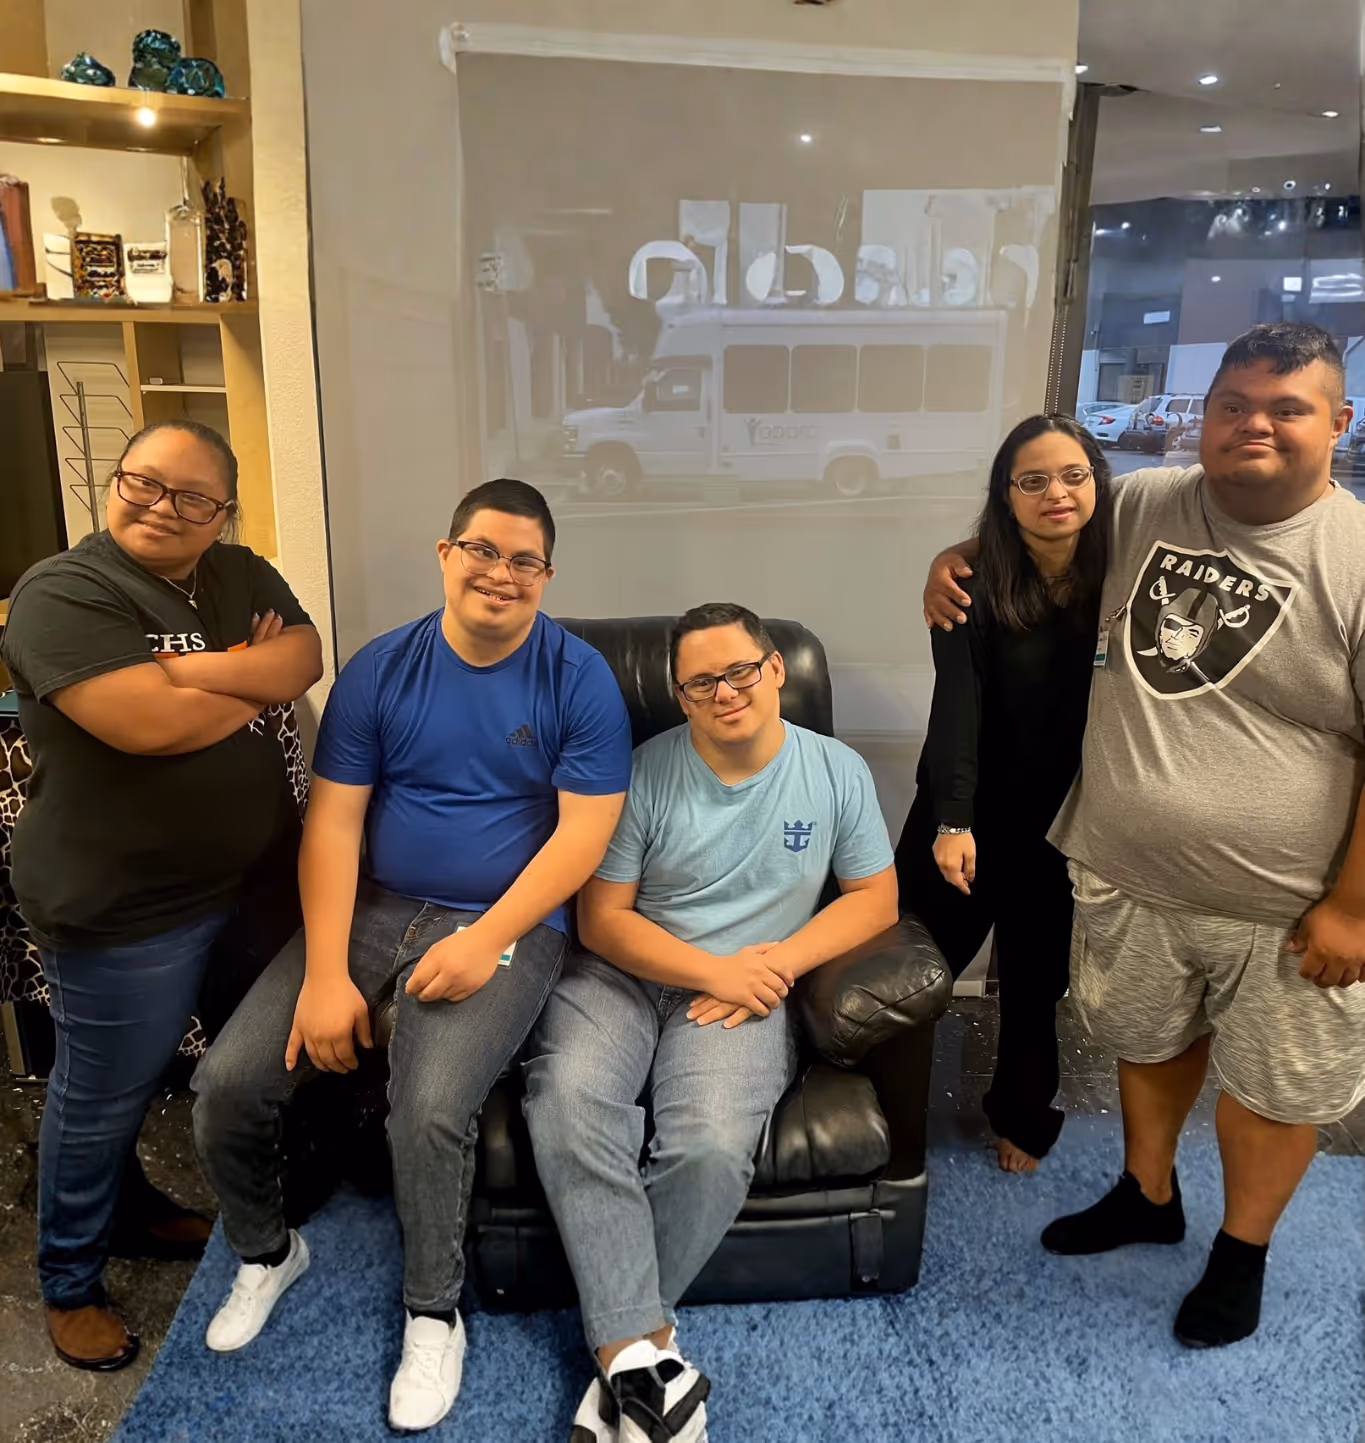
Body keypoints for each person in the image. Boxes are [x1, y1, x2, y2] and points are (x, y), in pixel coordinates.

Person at [923, 322, 1365, 1347]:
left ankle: (1241, 1252)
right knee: (1148, 1042)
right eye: (1233, 405)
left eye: (1287, 408)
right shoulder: (1150, 502)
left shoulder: (1353, 556)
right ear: (1202, 417)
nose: (1255, 426)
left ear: (1339, 422)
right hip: (1128, 871)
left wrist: (1352, 904)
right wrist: (951, 561)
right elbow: (1038, 520)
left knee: (1274, 1087)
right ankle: (1146, 1193)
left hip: (1286, 901)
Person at [191, 478, 632, 1432]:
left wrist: (488, 938)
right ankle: (268, 1251)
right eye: (482, 549)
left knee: (429, 1109)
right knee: (226, 1082)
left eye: (523, 559)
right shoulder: (382, 667)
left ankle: (434, 1312)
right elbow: (333, 823)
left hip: (508, 920)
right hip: (373, 907)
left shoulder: (578, 676)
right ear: (445, 554)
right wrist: (323, 973)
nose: (500, 572)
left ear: (546, 575)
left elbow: (582, 837)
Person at [523, 602, 899, 1443]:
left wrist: (778, 962)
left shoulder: (835, 770)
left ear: (775, 670)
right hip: (623, 976)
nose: (724, 691)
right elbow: (602, 919)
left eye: (739, 671)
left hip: (747, 987)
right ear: (679, 694)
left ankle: (624, 1360)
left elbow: (875, 899)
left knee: (709, 1144)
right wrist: (712, 968)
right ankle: (641, 1354)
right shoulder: (642, 771)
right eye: (701, 682)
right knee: (568, 1101)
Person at [0, 420, 323, 1371]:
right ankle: (70, 1279)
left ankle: (147, 1214)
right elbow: (146, 725)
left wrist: (190, 672)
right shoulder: (63, 590)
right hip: (124, 901)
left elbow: (301, 658)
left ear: (223, 513)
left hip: (252, 881)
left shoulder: (238, 571)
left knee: (243, 1064)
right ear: (115, 481)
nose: (161, 507)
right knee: (105, 1094)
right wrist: (244, 679)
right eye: (142, 482)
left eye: (192, 497)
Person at [897, 415, 1110, 1174]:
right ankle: (883, 1098)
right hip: (968, 805)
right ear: (1006, 492)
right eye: (1033, 480)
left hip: (1062, 815)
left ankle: (1022, 1113)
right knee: (914, 961)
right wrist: (952, 820)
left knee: (1033, 976)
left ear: (1096, 482)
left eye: (1073, 475)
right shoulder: (969, 583)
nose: (1056, 493)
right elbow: (956, 707)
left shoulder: (1120, 575)